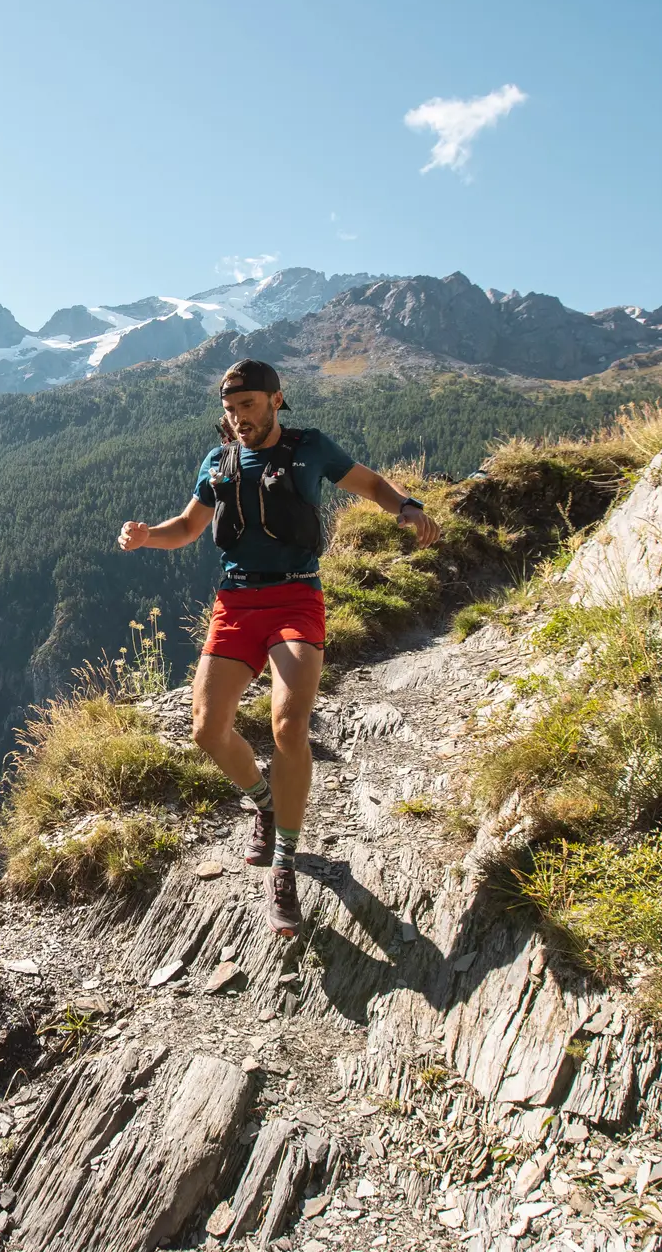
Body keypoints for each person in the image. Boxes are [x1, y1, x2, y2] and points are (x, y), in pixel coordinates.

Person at [117, 359, 439, 935]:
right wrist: (146, 538)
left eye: (248, 406)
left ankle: (284, 865)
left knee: (289, 726)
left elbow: (367, 482)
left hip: (296, 600)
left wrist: (406, 505)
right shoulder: (218, 462)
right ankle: (264, 801)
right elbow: (188, 528)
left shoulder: (309, 447)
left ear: (274, 400)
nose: (238, 418)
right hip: (235, 604)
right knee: (207, 730)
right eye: (230, 409)